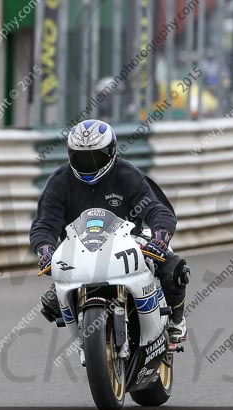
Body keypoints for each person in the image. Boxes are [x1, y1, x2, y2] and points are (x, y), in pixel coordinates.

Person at [29, 119, 190, 343]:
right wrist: (45, 251)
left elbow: (157, 209)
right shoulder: (59, 182)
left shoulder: (127, 175)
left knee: (174, 268)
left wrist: (160, 237)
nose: (89, 163)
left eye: (96, 156)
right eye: (81, 157)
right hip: (79, 250)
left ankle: (176, 321)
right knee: (51, 302)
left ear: (111, 151)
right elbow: (45, 224)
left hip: (128, 242)